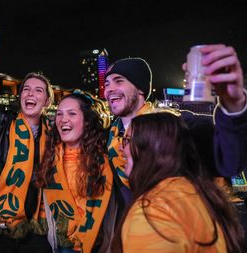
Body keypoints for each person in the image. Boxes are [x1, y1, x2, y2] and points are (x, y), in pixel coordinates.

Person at [104, 44, 247, 186]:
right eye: (107, 84)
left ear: (140, 89)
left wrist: (234, 105)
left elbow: (230, 160)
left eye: (119, 81)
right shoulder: (106, 138)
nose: (109, 89)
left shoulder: (177, 126)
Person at [0, 16, 53, 253]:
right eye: (26, 89)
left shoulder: (54, 133)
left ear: (47, 101)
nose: (30, 94)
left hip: (35, 228)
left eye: (38, 91)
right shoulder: (4, 122)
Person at [111, 112, 245, 253]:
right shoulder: (198, 194)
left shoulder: (155, 211)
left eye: (126, 140)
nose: (121, 148)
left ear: (153, 149)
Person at [37, 91, 124, 253]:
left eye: (72, 113)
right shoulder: (50, 157)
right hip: (59, 244)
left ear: (87, 121)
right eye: (59, 114)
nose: (63, 119)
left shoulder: (105, 159)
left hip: (95, 245)